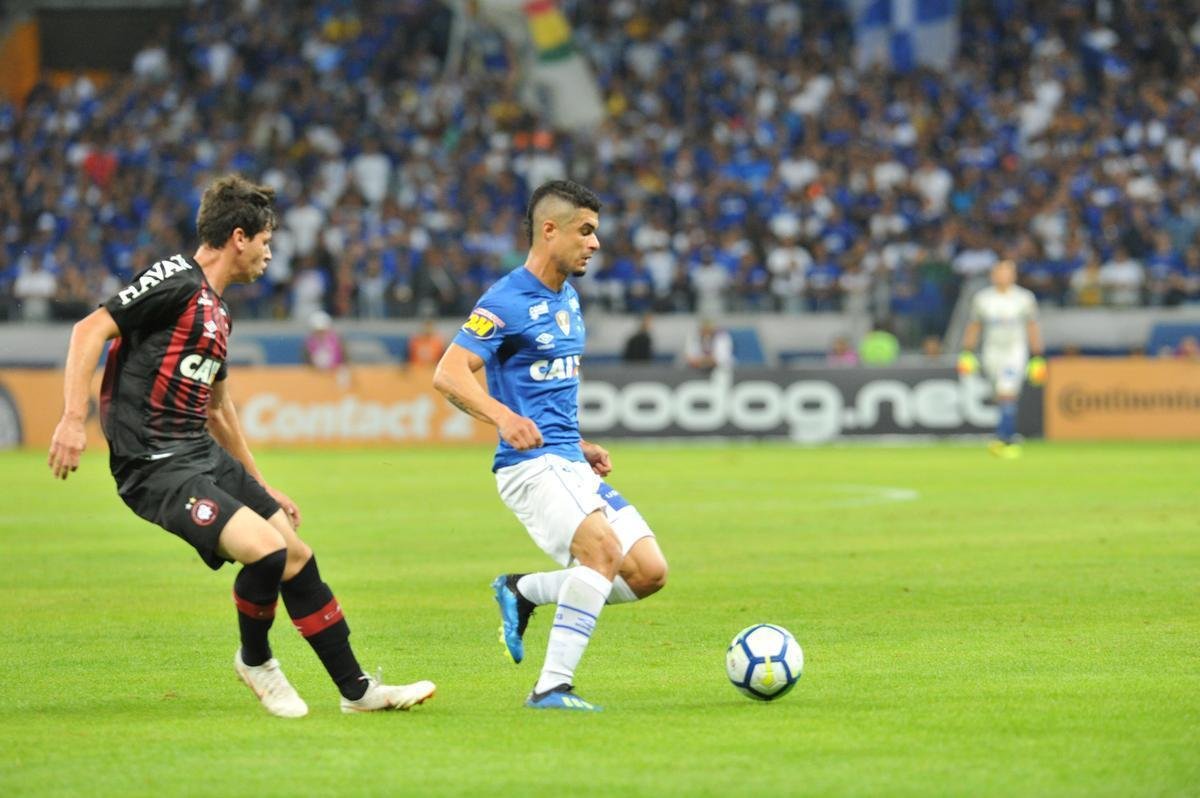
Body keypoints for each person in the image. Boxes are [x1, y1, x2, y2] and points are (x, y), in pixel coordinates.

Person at [47, 175, 434, 718]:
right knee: (266, 550)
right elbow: (88, 330)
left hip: (201, 453)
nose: (270, 254)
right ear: (238, 237)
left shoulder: (218, 311)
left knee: (296, 555)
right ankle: (256, 661)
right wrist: (71, 418)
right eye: (267, 242)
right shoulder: (176, 280)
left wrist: (260, 484)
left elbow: (218, 407)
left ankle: (358, 692)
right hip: (155, 463)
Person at [433, 180, 668, 711]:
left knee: (649, 573)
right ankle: (550, 687)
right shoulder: (506, 300)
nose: (595, 243)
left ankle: (522, 590)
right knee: (603, 554)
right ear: (549, 230)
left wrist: (577, 442)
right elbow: (448, 374)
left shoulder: (568, 297)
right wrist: (503, 416)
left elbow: (546, 388)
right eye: (585, 231)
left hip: (565, 459)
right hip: (529, 466)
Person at [957, 259, 1046, 458]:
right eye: (999, 272)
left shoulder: (1024, 298)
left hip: (1014, 351)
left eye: (1006, 272)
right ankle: (1007, 435)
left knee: (1007, 393)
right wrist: (967, 353)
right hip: (991, 352)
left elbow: (1032, 327)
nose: (1002, 276)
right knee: (1001, 396)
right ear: (993, 275)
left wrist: (1037, 356)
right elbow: (975, 326)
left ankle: (1005, 439)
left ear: (1013, 276)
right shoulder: (983, 299)